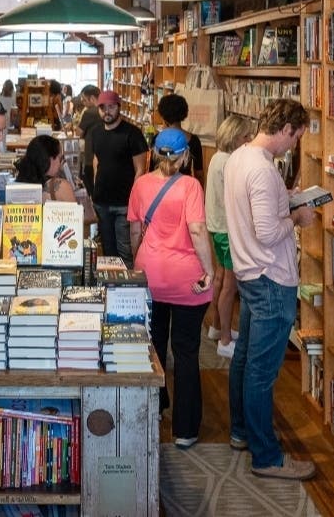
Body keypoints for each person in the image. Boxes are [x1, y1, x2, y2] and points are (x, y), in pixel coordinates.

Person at [224, 98, 317, 480]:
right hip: (270, 278)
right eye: (295, 137)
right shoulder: (262, 171)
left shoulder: (237, 158)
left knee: (244, 360)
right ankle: (267, 457)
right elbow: (267, 233)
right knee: (261, 372)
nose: (294, 145)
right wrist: (297, 216)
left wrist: (286, 202)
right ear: (285, 129)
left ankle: (241, 432)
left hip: (248, 274)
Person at [127, 127, 214, 448]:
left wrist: (139, 262)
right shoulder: (191, 186)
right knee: (187, 350)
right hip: (186, 278)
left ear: (153, 153)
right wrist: (210, 270)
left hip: (150, 274)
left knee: (153, 344)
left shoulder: (140, 185)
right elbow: (197, 229)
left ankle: (156, 407)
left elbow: (135, 229)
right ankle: (186, 429)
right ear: (185, 156)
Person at [205, 114, 253, 358]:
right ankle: (225, 339)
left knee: (221, 278)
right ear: (235, 138)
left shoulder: (216, 158)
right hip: (228, 229)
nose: (250, 141)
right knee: (230, 286)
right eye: (246, 136)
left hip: (216, 226)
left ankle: (216, 327)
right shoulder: (231, 162)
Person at [89, 89, 148, 266]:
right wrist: (94, 188)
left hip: (125, 204)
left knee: (126, 251)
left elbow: (141, 169)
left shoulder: (133, 133)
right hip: (101, 202)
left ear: (119, 107)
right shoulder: (96, 132)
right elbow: (96, 160)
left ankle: (128, 290)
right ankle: (111, 289)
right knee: (107, 252)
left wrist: (134, 200)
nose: (107, 111)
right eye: (103, 107)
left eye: (111, 107)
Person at [148, 93, 205, 187]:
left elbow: (152, 169)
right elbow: (199, 174)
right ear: (183, 114)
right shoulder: (194, 140)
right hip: (184, 187)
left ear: (163, 116)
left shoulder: (158, 139)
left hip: (160, 187)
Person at [14, 134, 77, 203]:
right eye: (60, 158)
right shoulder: (62, 187)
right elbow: (77, 213)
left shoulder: (19, 183)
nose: (61, 165)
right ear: (51, 159)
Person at [76, 85, 101, 194]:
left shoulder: (89, 113)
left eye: (84, 99)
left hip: (90, 156)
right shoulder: (104, 110)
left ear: (92, 98)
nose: (83, 102)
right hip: (102, 155)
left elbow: (79, 133)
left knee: (89, 186)